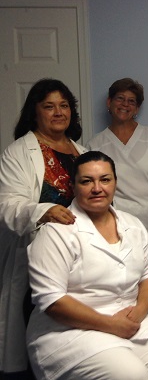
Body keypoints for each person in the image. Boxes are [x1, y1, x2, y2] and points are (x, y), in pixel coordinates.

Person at [26, 151, 148, 380]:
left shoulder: (132, 225)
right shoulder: (56, 233)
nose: (97, 188)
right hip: (70, 329)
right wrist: (111, 325)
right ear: (73, 186)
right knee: (131, 374)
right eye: (87, 181)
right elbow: (52, 300)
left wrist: (138, 312)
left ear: (115, 183)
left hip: (129, 317)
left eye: (105, 179)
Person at [0, 78, 86, 375]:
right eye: (49, 106)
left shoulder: (81, 151)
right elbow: (7, 205)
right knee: (40, 317)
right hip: (37, 250)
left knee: (74, 325)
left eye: (64, 105)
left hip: (79, 252)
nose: (58, 112)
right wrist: (44, 211)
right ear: (34, 112)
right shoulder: (19, 152)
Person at [87, 78, 148, 229]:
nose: (125, 104)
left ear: (137, 109)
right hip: (118, 224)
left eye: (131, 101)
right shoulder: (95, 145)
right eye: (120, 98)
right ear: (109, 102)